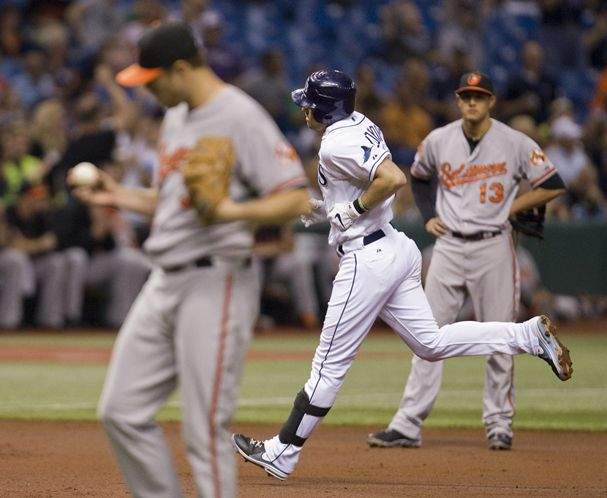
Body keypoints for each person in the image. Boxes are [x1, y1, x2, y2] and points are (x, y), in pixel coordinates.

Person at [232, 70, 573, 480]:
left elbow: (392, 179)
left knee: (327, 368)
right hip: (393, 248)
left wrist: (352, 211)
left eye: (309, 101)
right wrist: (322, 208)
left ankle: (283, 451)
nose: (304, 108)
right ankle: (526, 335)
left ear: (324, 106)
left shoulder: (334, 143)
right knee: (430, 343)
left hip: (367, 259)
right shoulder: (358, 123)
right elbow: (365, 186)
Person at [70, 22, 309, 498]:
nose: (149, 89)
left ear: (181, 69)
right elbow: (170, 199)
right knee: (120, 411)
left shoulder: (240, 115)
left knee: (204, 429)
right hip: (164, 279)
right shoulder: (177, 116)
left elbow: (296, 198)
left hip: (215, 279)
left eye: (152, 78)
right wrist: (115, 194)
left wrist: (231, 212)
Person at [367, 72, 568, 452]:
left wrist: (516, 205)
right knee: (425, 335)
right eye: (466, 96)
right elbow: (419, 177)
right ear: (458, 101)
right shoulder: (439, 140)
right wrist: (427, 214)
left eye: (479, 96)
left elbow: (553, 183)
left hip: (494, 245)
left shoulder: (515, 142)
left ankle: (499, 424)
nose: (472, 102)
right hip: (448, 246)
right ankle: (407, 424)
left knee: (500, 333)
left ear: (491, 101)